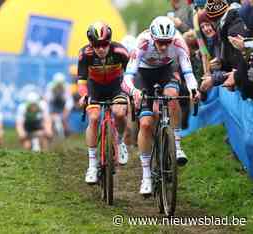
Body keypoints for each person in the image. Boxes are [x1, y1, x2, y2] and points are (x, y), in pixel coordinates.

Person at [122, 16, 199, 195]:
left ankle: (177, 146)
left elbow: (188, 72)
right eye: (160, 42)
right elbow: (127, 78)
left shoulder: (179, 42)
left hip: (166, 72)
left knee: (173, 96)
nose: (164, 47)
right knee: (146, 124)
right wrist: (134, 92)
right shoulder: (142, 43)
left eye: (167, 42)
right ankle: (146, 176)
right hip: (143, 76)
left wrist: (193, 90)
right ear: (153, 38)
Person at [77, 21, 130, 184]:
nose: (101, 49)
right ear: (91, 44)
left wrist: (131, 93)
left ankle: (120, 141)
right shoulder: (84, 54)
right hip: (95, 88)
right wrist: (84, 96)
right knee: (93, 118)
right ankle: (92, 165)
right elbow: (81, 80)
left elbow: (130, 75)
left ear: (110, 42)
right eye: (97, 45)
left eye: (104, 45)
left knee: (120, 113)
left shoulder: (121, 52)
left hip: (116, 87)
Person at [45, 72, 74, 137]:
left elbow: (69, 101)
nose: (59, 87)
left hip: (62, 105)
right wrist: (49, 114)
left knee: (64, 120)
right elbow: (47, 101)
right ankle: (50, 136)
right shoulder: (50, 87)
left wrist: (65, 113)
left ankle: (67, 134)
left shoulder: (67, 87)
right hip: (53, 106)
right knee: (49, 121)